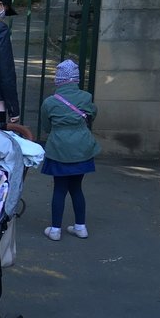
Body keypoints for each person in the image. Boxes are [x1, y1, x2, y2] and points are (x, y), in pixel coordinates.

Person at [41, 60, 100, 241]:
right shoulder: (86, 97)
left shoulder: (50, 102)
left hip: (59, 148)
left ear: (58, 80)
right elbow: (93, 114)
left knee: (59, 188)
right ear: (76, 79)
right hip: (81, 148)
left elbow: (46, 127)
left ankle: (55, 230)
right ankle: (80, 227)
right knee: (76, 188)